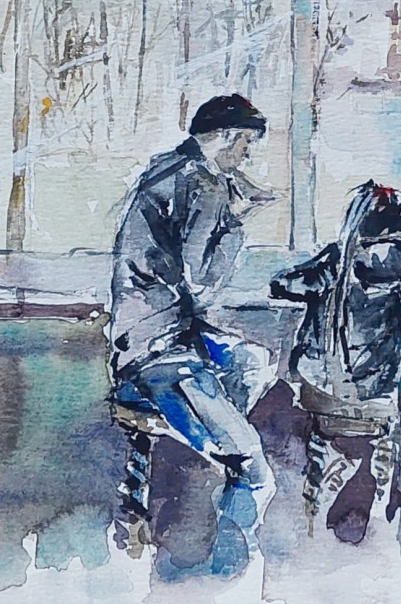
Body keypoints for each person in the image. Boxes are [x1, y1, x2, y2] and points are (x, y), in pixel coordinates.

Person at [108, 94, 277, 579]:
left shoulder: (168, 168)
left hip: (141, 336)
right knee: (256, 473)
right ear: (224, 137)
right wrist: (237, 222)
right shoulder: (204, 183)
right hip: (161, 353)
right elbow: (203, 281)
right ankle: (228, 575)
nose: (247, 154)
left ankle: (213, 437)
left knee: (253, 361)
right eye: (245, 143)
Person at [270, 182, 401, 540]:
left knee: (292, 395)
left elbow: (283, 285)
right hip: (379, 393)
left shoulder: (339, 259)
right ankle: (370, 481)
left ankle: (326, 477)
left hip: (325, 390)